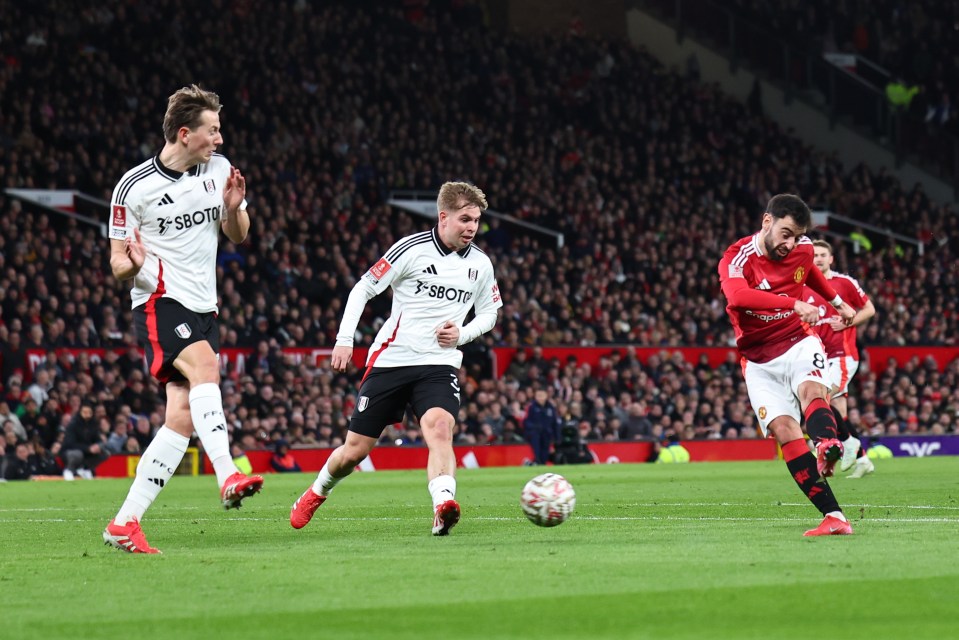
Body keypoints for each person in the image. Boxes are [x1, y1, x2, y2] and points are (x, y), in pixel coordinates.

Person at [103, 85, 264, 554]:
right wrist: (132, 264)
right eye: (212, 130)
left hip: (204, 305)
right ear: (184, 133)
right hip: (159, 300)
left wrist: (233, 209)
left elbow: (238, 235)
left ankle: (124, 522)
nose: (220, 137)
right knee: (207, 369)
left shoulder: (218, 169)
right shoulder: (133, 188)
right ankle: (227, 473)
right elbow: (117, 264)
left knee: (180, 418)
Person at [290, 181, 502, 536]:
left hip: (439, 362)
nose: (472, 227)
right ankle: (316, 492)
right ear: (443, 216)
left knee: (439, 429)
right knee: (354, 451)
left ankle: (442, 506)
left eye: (477, 221)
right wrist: (344, 341)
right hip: (392, 359)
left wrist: (462, 335)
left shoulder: (480, 264)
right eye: (465, 219)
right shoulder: (411, 249)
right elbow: (363, 288)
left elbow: (490, 313)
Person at [718, 194, 857, 537]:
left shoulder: (804, 248)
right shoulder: (737, 258)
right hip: (758, 359)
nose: (790, 243)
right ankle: (835, 517)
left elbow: (809, 271)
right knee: (784, 430)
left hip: (798, 340)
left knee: (812, 389)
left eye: (796, 235)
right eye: (785, 233)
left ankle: (826, 444)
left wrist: (837, 301)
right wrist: (792, 303)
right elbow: (737, 297)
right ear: (767, 221)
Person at [804, 239, 877, 479]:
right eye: (814, 255)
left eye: (823, 255)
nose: (819, 259)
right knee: (838, 411)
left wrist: (848, 321)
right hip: (819, 358)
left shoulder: (844, 283)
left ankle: (846, 442)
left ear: (831, 259)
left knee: (820, 398)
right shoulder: (802, 284)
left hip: (842, 355)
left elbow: (869, 309)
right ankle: (862, 459)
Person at [62, 402, 110, 480]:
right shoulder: (73, 425)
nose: (87, 415)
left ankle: (85, 469)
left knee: (105, 453)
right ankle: (69, 470)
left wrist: (98, 446)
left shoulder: (93, 425)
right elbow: (70, 444)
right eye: (84, 412)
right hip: (70, 451)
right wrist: (88, 448)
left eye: (89, 412)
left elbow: (99, 440)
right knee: (77, 454)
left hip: (87, 452)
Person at [523, 388, 561, 465]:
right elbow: (525, 421)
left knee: (545, 452)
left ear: (546, 396)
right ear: (535, 396)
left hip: (547, 434)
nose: (540, 398)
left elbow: (554, 423)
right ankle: (536, 462)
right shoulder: (531, 407)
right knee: (536, 451)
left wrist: (557, 437)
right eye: (538, 396)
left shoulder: (551, 407)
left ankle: (541, 464)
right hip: (535, 434)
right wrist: (533, 428)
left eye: (542, 395)